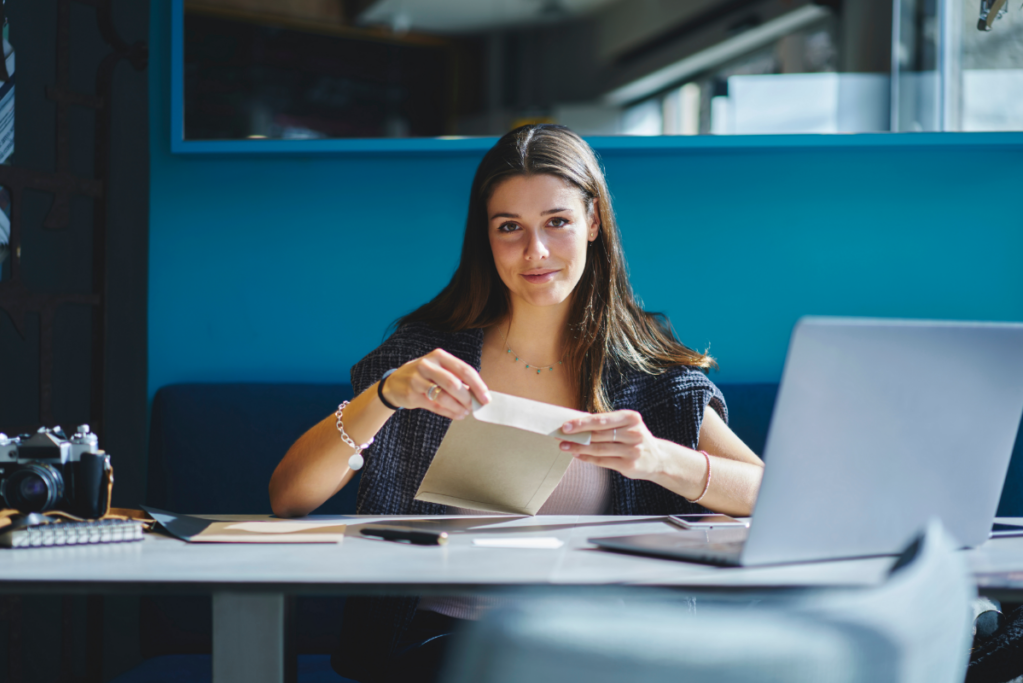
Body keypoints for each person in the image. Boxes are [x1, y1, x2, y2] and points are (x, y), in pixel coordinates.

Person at [269, 124, 765, 683]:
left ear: (594, 223)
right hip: (444, 644)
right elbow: (289, 499)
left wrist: (655, 459)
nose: (536, 251)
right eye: (510, 228)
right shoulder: (424, 356)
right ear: (485, 237)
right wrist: (382, 396)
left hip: (605, 642)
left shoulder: (649, 375)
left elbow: (771, 497)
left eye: (558, 222)